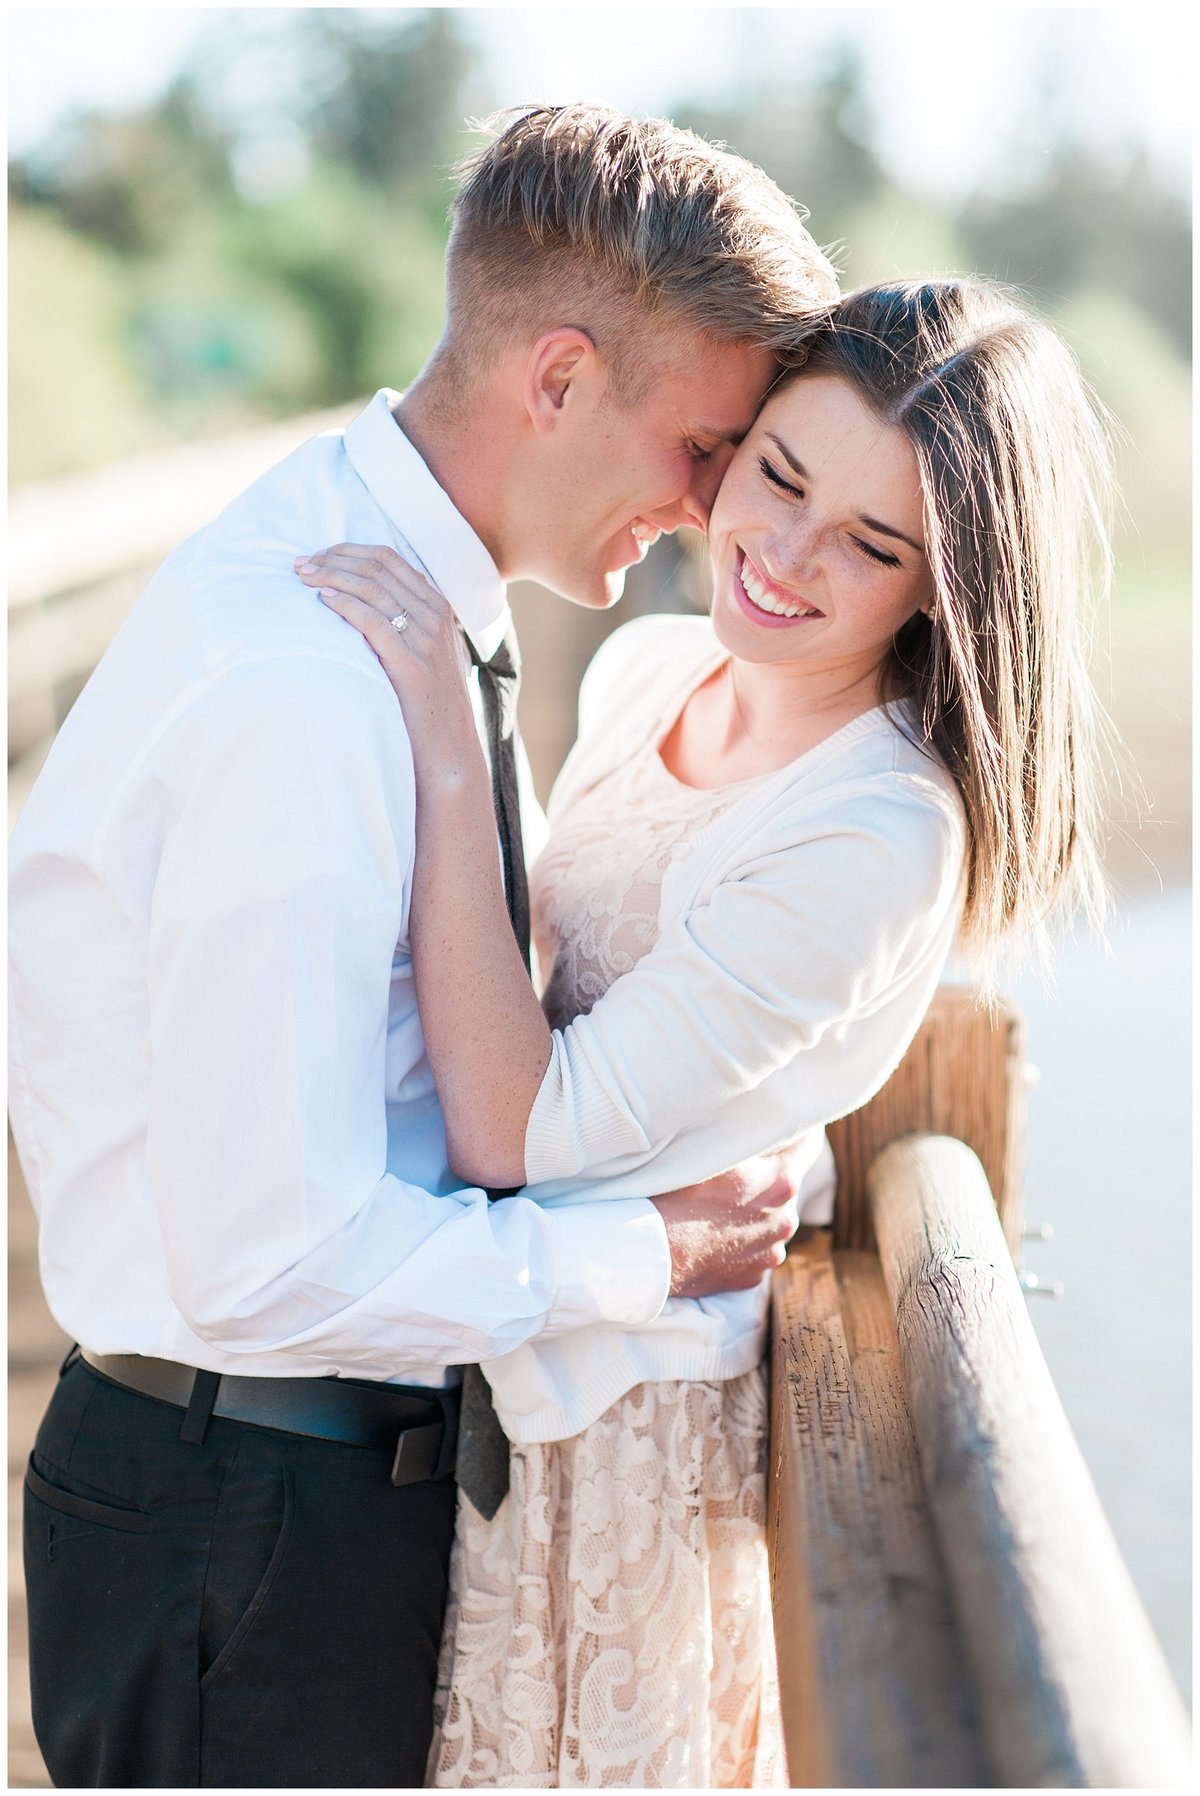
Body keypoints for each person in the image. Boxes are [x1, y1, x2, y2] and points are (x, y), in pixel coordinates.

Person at [7, 106, 840, 1788]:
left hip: (274, 1496)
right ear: (557, 379)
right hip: (244, 1520)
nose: (702, 514)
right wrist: (650, 1257)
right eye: (703, 447)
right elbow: (261, 1258)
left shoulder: (392, 575)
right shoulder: (313, 686)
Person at [299, 274, 1115, 1787]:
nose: (786, 555)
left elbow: (517, 1127)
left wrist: (445, 735)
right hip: (494, 1351)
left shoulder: (878, 833)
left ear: (944, 589)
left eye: (871, 544)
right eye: (780, 476)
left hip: (621, 1451)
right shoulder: (649, 669)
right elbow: (532, 989)